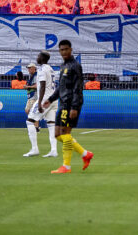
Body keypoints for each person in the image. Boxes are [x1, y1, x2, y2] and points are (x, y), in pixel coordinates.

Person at [42, 40, 92, 173]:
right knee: (57, 135)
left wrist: (74, 107)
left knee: (65, 133)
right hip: (62, 103)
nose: (63, 52)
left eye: (66, 49)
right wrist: (51, 99)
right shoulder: (63, 65)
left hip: (70, 104)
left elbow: (78, 87)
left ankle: (66, 166)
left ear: (71, 49)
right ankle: (85, 154)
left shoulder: (75, 66)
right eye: (61, 50)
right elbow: (61, 87)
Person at [31, 51, 58, 158]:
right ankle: (54, 150)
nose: (37, 57)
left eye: (38, 56)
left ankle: (34, 149)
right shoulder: (51, 69)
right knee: (51, 124)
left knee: (30, 121)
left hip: (45, 99)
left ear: (42, 58)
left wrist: (39, 103)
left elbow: (42, 86)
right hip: (53, 99)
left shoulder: (42, 69)